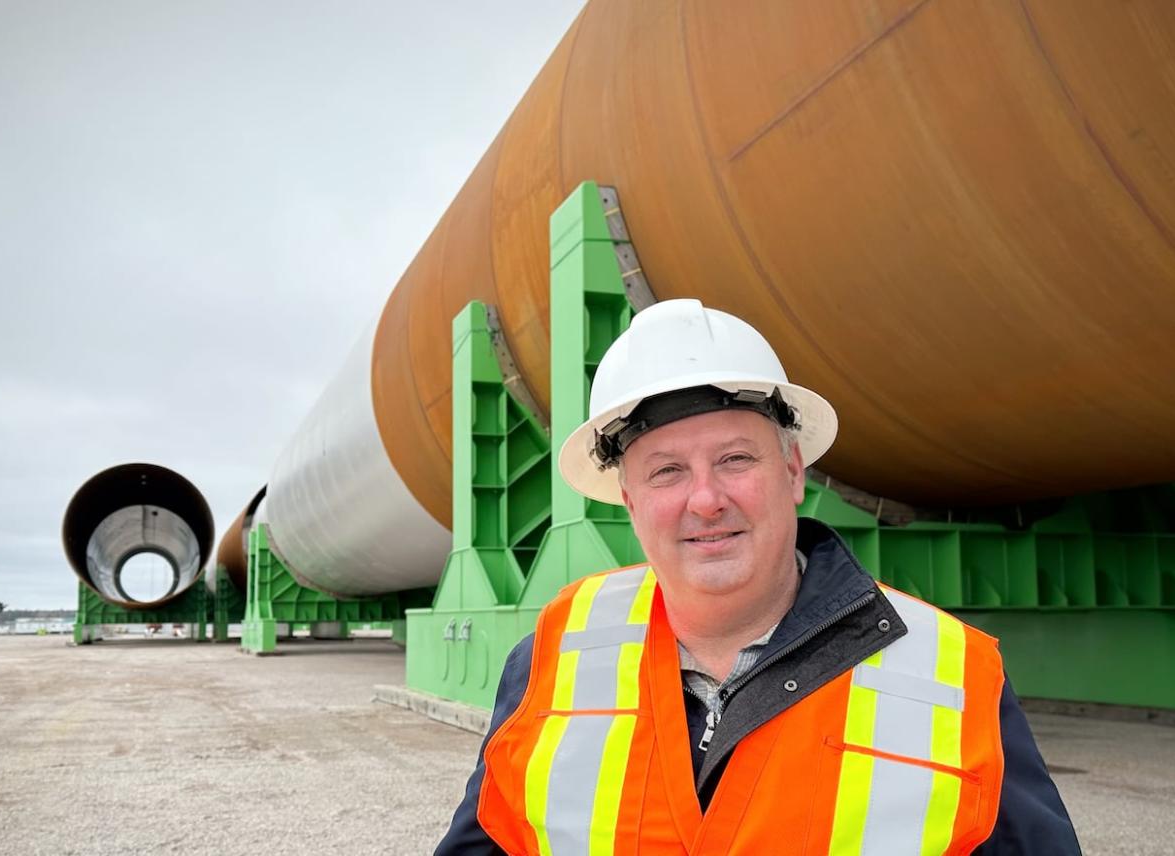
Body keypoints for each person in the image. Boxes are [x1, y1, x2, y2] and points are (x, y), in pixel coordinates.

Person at [436, 299, 1079, 854]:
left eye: (735, 459)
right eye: (667, 472)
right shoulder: (553, 657)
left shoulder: (947, 673)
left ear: (794, 472)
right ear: (630, 503)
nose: (707, 499)